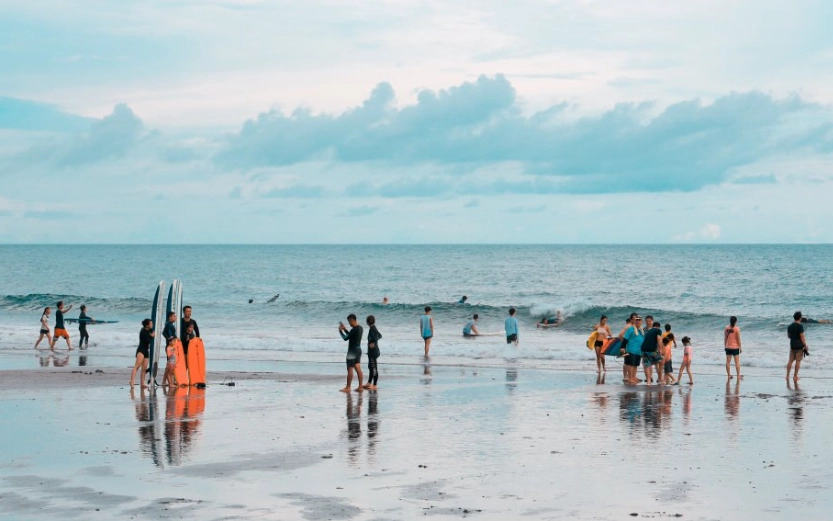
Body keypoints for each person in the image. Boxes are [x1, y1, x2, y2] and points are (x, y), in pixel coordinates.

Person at [338, 314, 364, 392]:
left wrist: (340, 331)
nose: (349, 323)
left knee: (350, 369)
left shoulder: (353, 330)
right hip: (358, 350)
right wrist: (345, 329)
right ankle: (360, 387)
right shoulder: (360, 328)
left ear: (352, 320)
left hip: (352, 351)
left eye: (349, 322)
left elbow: (346, 338)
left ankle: (348, 387)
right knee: (358, 369)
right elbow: (351, 336)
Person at [130, 319, 154, 388]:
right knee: (137, 366)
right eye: (151, 324)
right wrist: (152, 336)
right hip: (141, 350)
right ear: (147, 325)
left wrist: (151, 334)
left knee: (144, 368)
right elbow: (148, 341)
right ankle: (132, 381)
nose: (152, 325)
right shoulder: (143, 331)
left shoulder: (149, 330)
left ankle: (142, 383)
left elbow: (151, 332)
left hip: (146, 350)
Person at [641, 318, 664, 385]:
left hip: (643, 350)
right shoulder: (658, 330)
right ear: (658, 327)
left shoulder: (648, 331)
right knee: (661, 361)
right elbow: (659, 338)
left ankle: (648, 381)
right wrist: (660, 349)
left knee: (646, 365)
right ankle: (660, 379)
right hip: (652, 351)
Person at [622, 316, 644, 385]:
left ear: (641, 321)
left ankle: (634, 377)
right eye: (636, 320)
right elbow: (625, 338)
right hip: (631, 350)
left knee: (635, 365)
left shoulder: (641, 330)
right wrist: (622, 347)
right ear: (634, 321)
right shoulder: (631, 329)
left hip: (638, 350)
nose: (638, 321)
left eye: (639, 320)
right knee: (631, 364)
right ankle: (630, 378)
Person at [787, 311, 809, 380]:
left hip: (792, 345)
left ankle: (787, 376)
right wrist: (805, 345)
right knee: (798, 361)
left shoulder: (790, 326)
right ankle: (795, 376)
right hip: (799, 346)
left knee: (790, 361)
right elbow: (802, 336)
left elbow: (788, 336)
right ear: (800, 318)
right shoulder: (800, 326)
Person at [364, 315, 381, 390]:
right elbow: (380, 336)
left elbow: (377, 338)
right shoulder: (373, 328)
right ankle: (369, 382)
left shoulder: (372, 329)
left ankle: (374, 384)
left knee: (373, 368)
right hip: (373, 351)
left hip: (373, 352)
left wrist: (373, 343)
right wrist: (373, 343)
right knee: (370, 367)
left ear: (367, 322)